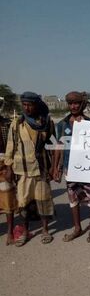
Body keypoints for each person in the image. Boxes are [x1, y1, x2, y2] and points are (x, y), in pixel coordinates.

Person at [4, 92, 55, 245]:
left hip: (42, 169)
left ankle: (45, 230)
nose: (27, 108)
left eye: (30, 105)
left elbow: (54, 144)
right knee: (23, 202)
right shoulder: (17, 124)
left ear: (36, 105)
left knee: (43, 200)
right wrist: (8, 167)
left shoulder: (46, 122)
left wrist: (55, 166)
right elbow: (10, 147)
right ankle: (26, 231)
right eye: (24, 105)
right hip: (23, 171)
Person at [54, 91, 90, 243]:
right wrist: (56, 167)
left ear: (82, 104)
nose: (73, 106)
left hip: (88, 169)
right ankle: (77, 228)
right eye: (70, 103)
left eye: (76, 103)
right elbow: (59, 146)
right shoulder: (62, 124)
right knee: (73, 197)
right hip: (70, 168)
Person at [0, 97, 17, 245]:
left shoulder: (7, 124)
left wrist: (9, 167)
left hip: (4, 163)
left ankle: (10, 233)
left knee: (8, 201)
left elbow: (11, 148)